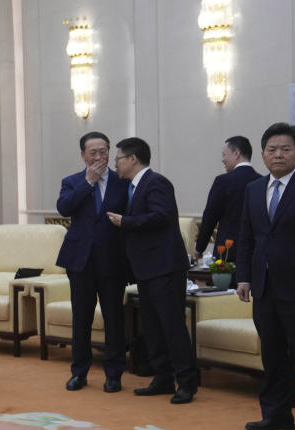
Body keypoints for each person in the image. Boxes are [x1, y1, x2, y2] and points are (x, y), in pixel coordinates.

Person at [236, 122, 295, 430]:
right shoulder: (253, 189)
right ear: (263, 154)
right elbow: (246, 238)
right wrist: (243, 276)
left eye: (285, 149)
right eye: (272, 149)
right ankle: (276, 414)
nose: (278, 155)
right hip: (263, 286)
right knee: (272, 353)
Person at [107, 137, 199, 404]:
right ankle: (162, 377)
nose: (116, 164)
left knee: (171, 325)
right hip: (146, 268)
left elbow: (162, 216)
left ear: (132, 159)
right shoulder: (133, 187)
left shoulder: (156, 182)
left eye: (118, 158)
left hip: (165, 266)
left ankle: (187, 382)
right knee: (153, 325)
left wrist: (126, 221)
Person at [55, 131, 129, 393]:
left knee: (113, 319)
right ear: (83, 155)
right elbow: (64, 208)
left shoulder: (123, 181)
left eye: (103, 151)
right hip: (81, 261)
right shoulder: (72, 181)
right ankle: (79, 372)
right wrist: (88, 182)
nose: (99, 157)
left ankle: (114, 374)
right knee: (81, 318)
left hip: (113, 260)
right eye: (93, 153)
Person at [194, 136, 261, 268]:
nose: (222, 159)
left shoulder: (223, 181)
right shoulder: (262, 182)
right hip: (256, 252)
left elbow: (210, 217)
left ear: (237, 154)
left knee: (227, 289)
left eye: (224, 155)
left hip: (227, 254)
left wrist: (199, 248)